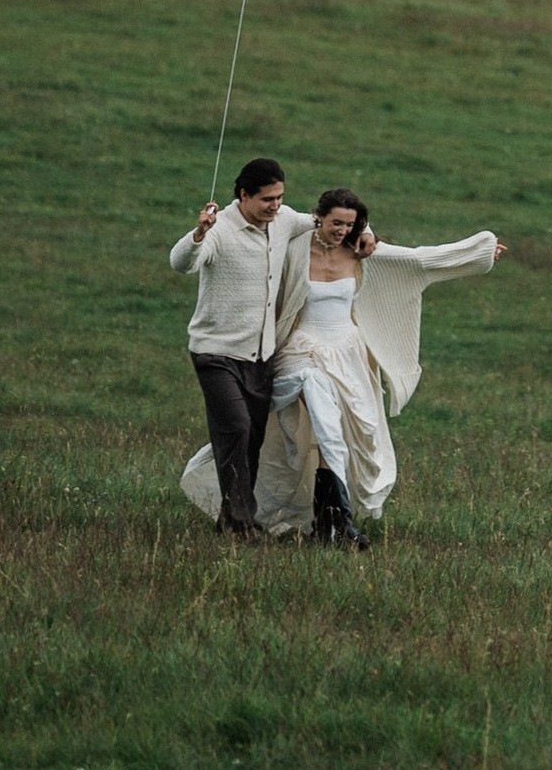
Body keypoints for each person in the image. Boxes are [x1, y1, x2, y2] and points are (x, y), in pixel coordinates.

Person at [179, 185, 503, 544]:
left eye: (350, 225)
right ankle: (334, 523)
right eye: (336, 223)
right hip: (302, 350)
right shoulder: (294, 246)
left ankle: (330, 523)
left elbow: (417, 260)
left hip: (347, 351)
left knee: (339, 431)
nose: (342, 231)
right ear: (318, 217)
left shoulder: (362, 251)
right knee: (320, 403)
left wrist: (480, 252)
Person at [168, 155, 312, 542]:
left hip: (260, 356)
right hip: (215, 353)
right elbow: (181, 263)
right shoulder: (220, 229)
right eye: (267, 199)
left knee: (250, 439)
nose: (276, 206)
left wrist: (364, 232)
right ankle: (241, 525)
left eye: (280, 197)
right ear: (244, 195)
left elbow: (322, 221)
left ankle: (231, 518)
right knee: (236, 428)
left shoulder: (283, 222)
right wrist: (198, 233)